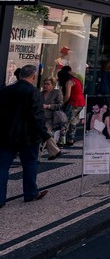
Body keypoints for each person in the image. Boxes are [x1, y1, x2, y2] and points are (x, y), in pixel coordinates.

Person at [0, 64, 50, 207]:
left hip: (6, 134)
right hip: (28, 136)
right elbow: (37, 117)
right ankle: (30, 194)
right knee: (29, 164)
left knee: (2, 166)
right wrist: (44, 134)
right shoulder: (33, 92)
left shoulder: (5, 90)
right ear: (33, 77)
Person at [58, 65, 85, 146]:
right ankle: (71, 139)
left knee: (65, 122)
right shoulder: (77, 80)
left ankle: (61, 141)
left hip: (73, 103)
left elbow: (67, 96)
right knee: (73, 122)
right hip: (81, 103)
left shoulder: (69, 82)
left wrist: (62, 103)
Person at [40, 78, 64, 160]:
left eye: (47, 84)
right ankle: (55, 151)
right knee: (43, 136)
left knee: (43, 135)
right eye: (44, 84)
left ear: (53, 85)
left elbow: (60, 105)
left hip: (50, 118)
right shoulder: (41, 93)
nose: (45, 85)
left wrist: (49, 106)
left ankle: (37, 157)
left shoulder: (57, 92)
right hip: (40, 118)